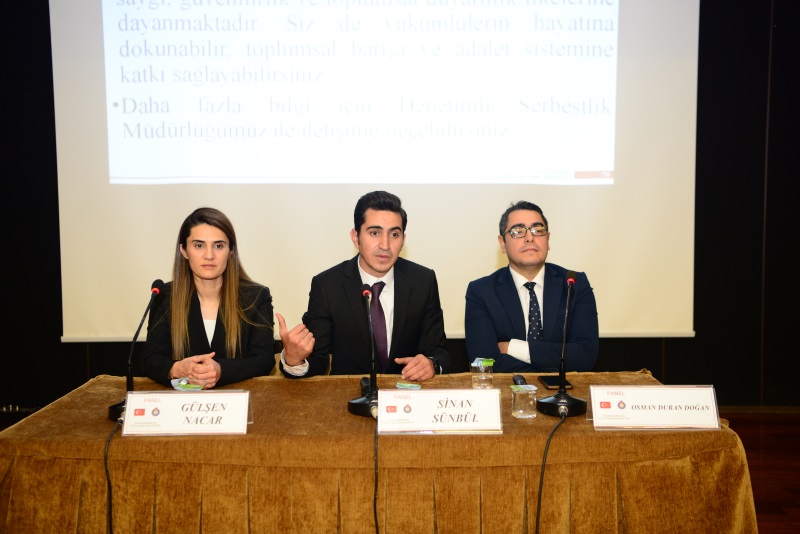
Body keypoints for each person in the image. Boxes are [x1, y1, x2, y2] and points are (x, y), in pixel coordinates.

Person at [277, 190, 451, 381]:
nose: (385, 245)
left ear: (403, 240)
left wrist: (432, 364)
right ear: (355, 237)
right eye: (375, 233)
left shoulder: (423, 281)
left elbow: (439, 351)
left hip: (405, 393)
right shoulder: (328, 286)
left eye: (394, 234)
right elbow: (317, 359)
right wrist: (293, 360)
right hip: (349, 396)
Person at [139, 207, 276, 388]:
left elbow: (264, 360)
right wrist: (177, 368)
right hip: (181, 401)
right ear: (184, 250)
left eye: (218, 246)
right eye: (199, 245)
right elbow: (150, 360)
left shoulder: (256, 297)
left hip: (239, 399)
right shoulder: (164, 296)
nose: (209, 255)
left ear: (231, 251)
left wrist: (221, 370)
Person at [464, 201, 599, 373]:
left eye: (538, 229)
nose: (529, 238)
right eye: (518, 231)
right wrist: (553, 363)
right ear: (502, 243)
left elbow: (585, 356)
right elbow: (484, 363)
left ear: (548, 239)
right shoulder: (481, 291)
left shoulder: (574, 284)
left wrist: (513, 348)